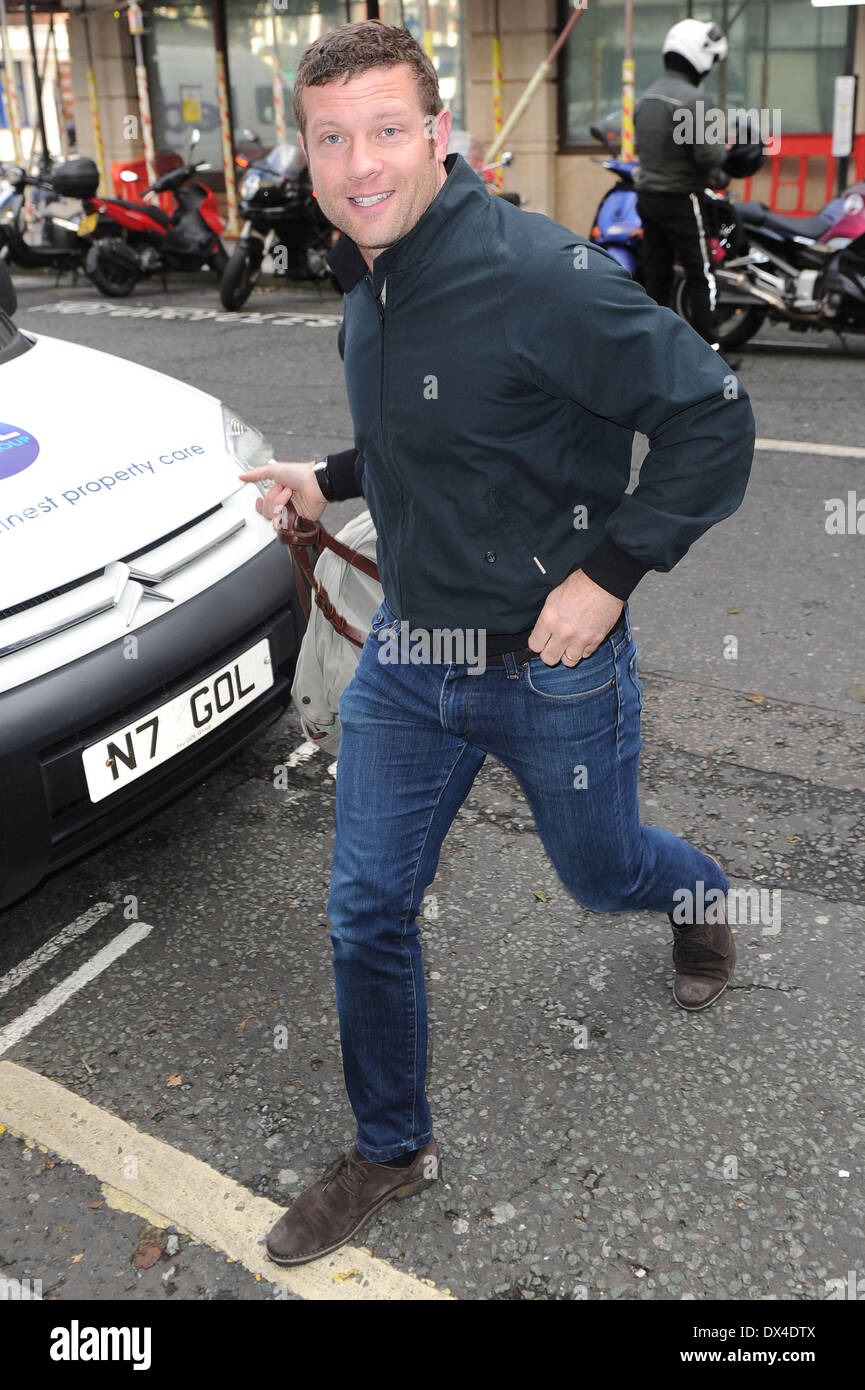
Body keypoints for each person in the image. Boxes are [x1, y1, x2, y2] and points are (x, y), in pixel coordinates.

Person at [240, 19, 755, 1268]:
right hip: (414, 663)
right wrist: (329, 477)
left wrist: (608, 575)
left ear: (440, 137)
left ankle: (698, 894)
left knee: (600, 872)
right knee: (366, 905)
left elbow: (713, 418)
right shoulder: (371, 273)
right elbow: (439, 432)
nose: (359, 162)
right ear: (304, 153)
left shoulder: (540, 273)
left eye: (387, 130)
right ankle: (388, 1144)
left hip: (553, 667)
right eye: (331, 137)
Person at [634, 19, 729, 349]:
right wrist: (723, 152)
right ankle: (711, 353)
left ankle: (651, 347)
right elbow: (706, 155)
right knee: (700, 272)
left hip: (647, 196)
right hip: (681, 198)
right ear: (699, 56)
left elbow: (642, 150)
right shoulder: (694, 100)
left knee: (655, 273)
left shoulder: (645, 98)